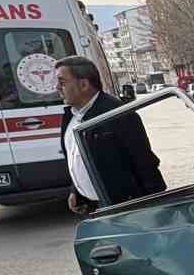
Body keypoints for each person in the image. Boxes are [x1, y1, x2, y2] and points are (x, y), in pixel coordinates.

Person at [55, 56, 165, 214]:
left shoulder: (116, 113)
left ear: (84, 84)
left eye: (62, 82)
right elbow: (78, 158)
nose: (56, 87)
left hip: (125, 208)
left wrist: (156, 208)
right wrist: (76, 190)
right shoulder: (71, 116)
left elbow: (144, 162)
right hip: (96, 206)